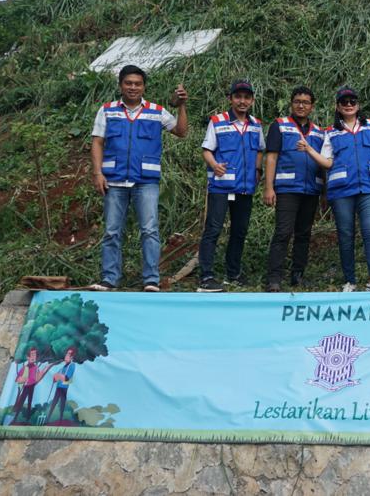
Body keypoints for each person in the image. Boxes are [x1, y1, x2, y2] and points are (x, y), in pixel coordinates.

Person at [90, 65, 188, 292]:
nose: (133, 87)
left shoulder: (156, 111)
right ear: (120, 85)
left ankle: (151, 280)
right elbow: (97, 142)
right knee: (112, 231)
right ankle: (109, 279)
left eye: (137, 84)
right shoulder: (107, 110)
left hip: (146, 182)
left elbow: (181, 131)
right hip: (114, 181)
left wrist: (181, 105)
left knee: (150, 230)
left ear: (144, 87)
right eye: (128, 83)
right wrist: (97, 173)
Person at [303, 87, 370, 292]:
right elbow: (327, 162)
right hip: (341, 190)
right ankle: (350, 281)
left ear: (358, 105)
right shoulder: (331, 131)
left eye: (352, 101)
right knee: (345, 234)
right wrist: (309, 149)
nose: (349, 105)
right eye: (344, 102)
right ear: (338, 107)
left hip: (369, 187)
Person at [197, 80, 265, 293]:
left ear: (252, 100)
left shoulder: (256, 124)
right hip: (221, 187)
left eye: (246, 97)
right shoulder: (218, 121)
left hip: (245, 187)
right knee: (213, 230)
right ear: (231, 99)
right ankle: (206, 276)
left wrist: (258, 169)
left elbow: (260, 149)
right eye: (238, 97)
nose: (242, 101)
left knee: (239, 231)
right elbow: (207, 149)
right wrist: (214, 165)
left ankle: (233, 273)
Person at [263, 87, 325, 292]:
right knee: (283, 232)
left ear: (312, 106)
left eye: (305, 102)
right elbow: (271, 157)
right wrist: (269, 188)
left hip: (311, 190)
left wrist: (325, 192)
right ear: (291, 103)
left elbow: (324, 163)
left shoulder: (319, 132)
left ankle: (297, 276)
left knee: (304, 234)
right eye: (297, 101)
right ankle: (274, 278)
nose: (301, 105)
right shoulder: (280, 125)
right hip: (287, 189)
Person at [11, 347, 52, 424]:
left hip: (32, 386)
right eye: (32, 355)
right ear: (28, 357)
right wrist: (23, 379)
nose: (34, 357)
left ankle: (27, 419)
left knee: (30, 402)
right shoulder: (25, 368)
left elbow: (37, 377)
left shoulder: (36, 367)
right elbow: (17, 379)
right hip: (26, 387)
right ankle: (15, 419)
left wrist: (45, 369)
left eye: (35, 355)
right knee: (21, 401)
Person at [46, 347, 77, 423]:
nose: (66, 356)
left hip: (64, 388)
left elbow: (66, 378)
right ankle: (48, 418)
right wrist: (55, 378)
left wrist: (58, 376)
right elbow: (56, 378)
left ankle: (60, 420)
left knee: (62, 403)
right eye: (66, 354)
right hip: (59, 387)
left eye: (68, 355)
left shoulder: (72, 365)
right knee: (54, 402)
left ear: (72, 357)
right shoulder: (63, 367)